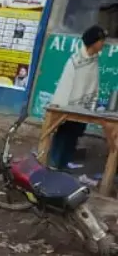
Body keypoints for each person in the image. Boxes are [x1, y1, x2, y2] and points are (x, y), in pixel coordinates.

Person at [49, 24, 108, 168]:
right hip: (68, 106)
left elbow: (93, 84)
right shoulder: (75, 61)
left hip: (83, 107)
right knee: (63, 135)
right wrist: (61, 107)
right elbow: (65, 85)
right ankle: (53, 164)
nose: (103, 44)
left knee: (74, 136)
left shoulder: (93, 61)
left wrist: (91, 104)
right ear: (93, 42)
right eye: (101, 41)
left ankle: (64, 164)